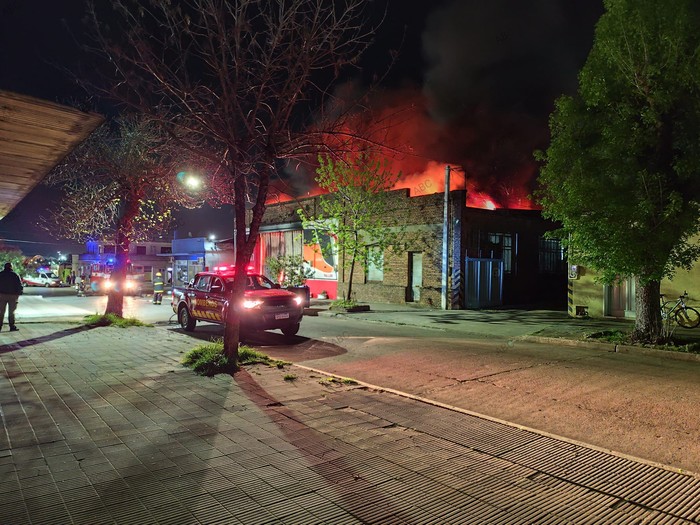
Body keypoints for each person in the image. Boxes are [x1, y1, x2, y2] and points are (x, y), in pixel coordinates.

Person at [0, 262, 24, 332]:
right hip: (12, 296)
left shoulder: (1, 274)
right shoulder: (15, 275)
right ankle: (12, 326)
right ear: (11, 267)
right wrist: (19, 294)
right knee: (11, 312)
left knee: (1, 312)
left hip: (2, 295)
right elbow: (19, 285)